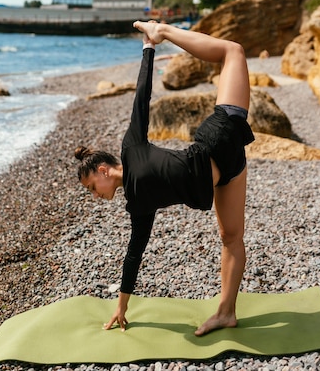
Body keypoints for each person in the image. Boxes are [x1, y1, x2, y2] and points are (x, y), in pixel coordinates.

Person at [75, 20, 254, 336]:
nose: (95, 195)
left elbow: (141, 97)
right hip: (227, 173)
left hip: (218, 140)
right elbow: (134, 252)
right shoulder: (138, 206)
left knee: (232, 51)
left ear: (103, 171)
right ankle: (226, 313)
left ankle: (164, 30)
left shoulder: (131, 148)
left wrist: (149, 48)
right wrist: (121, 306)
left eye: (92, 188)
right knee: (230, 237)